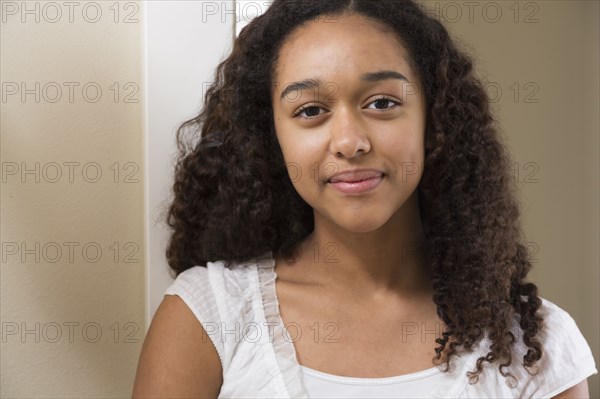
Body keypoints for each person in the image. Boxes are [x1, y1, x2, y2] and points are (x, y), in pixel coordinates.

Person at [132, 0, 597, 397]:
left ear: (433, 119)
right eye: (310, 110)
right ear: (270, 136)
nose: (350, 142)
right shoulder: (205, 316)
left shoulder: (538, 345)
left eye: (381, 103)